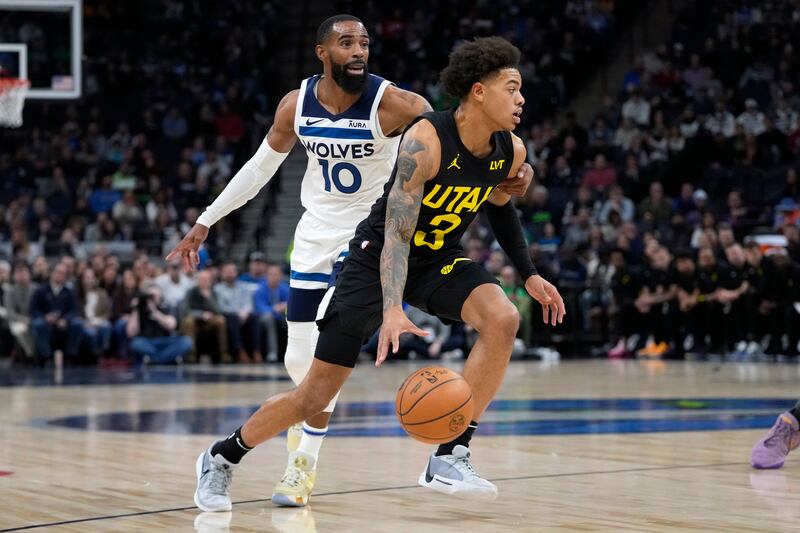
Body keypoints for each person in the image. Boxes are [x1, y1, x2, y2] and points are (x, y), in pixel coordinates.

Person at [168, 15, 534, 507]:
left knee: (502, 317)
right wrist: (207, 219)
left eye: (365, 42)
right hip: (366, 248)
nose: (359, 50)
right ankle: (222, 456)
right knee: (310, 388)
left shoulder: (407, 110)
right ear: (322, 51)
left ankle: (448, 455)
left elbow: (491, 189)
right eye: (346, 42)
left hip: (419, 252)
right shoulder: (300, 107)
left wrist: (529, 268)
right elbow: (387, 229)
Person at [127, 284, 193, 364]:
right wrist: (136, 309)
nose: (153, 298)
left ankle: (154, 360)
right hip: (147, 342)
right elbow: (130, 333)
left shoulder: (166, 308)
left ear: (161, 296)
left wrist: (154, 311)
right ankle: (166, 359)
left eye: (155, 295)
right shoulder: (140, 311)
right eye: (151, 296)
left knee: (186, 341)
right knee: (135, 343)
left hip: (166, 341)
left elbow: (172, 325)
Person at [29, 262, 83, 361]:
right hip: (46, 321)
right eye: (58, 272)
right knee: (38, 324)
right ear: (52, 273)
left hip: (63, 321)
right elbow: (33, 310)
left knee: (78, 323)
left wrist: (65, 319)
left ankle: (71, 355)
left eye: (63, 273)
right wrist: (45, 317)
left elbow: (74, 310)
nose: (60, 275)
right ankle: (46, 355)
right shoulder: (41, 290)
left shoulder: (69, 292)